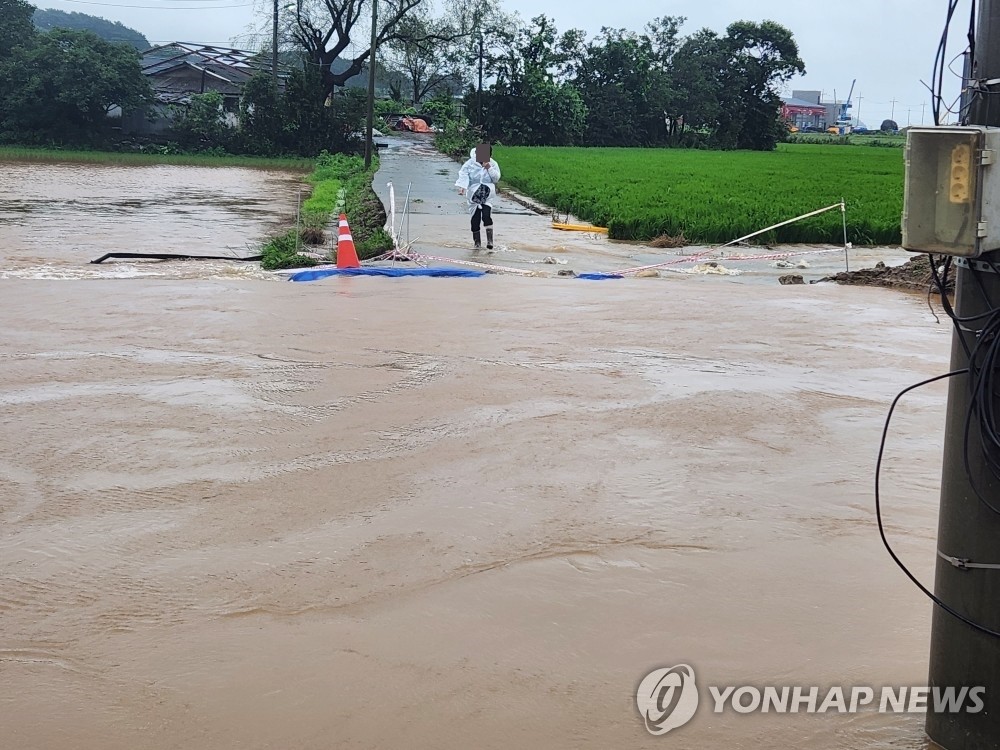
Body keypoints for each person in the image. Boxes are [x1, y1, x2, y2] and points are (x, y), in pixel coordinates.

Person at [456, 145, 501, 250]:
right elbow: (463, 174)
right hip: (474, 193)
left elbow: (496, 179)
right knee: (475, 219)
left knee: (486, 216)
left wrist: (488, 168)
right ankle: (477, 243)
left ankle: (490, 241)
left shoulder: (493, 164)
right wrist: (462, 187)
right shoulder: (470, 163)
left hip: (487, 194)